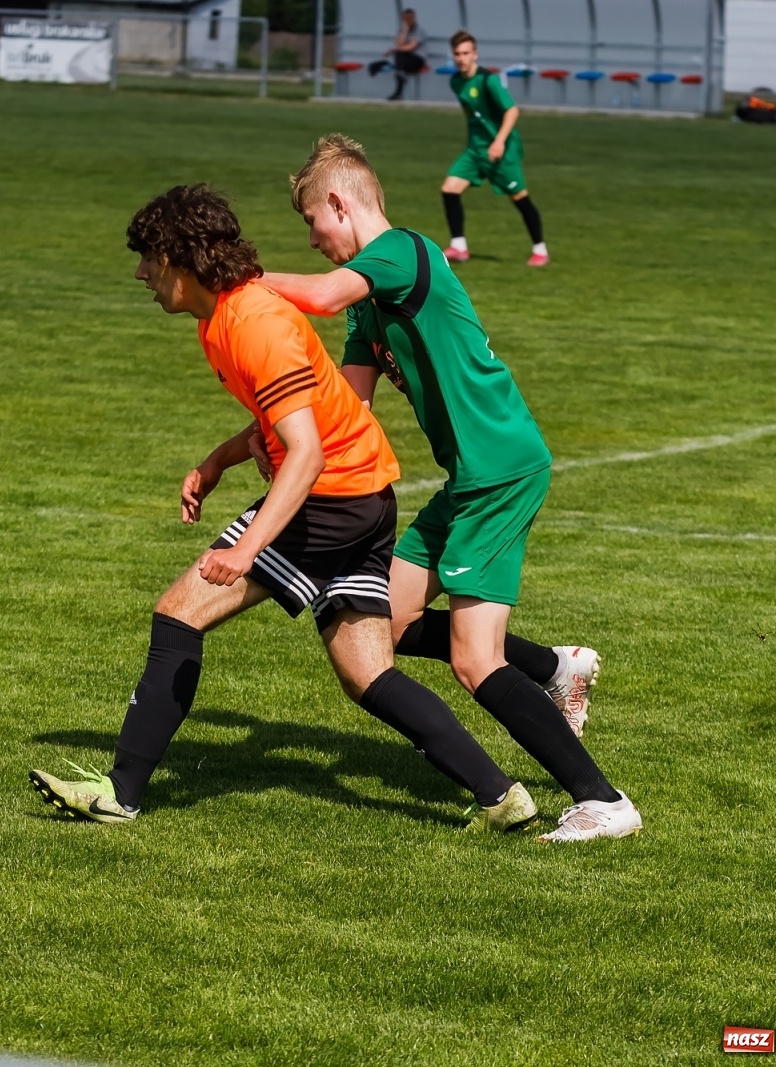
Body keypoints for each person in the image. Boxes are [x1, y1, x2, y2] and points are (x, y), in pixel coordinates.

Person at [29, 184, 541, 835]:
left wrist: (246, 549)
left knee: (179, 611)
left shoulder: (253, 323)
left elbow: (304, 455)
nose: (140, 273)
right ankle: (501, 796)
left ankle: (120, 792)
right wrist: (218, 460)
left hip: (329, 499)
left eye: (148, 258)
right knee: (366, 672)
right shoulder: (226, 319)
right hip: (368, 497)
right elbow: (290, 420)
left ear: (182, 259)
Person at [260, 135, 641, 842]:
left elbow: (311, 295)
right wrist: (272, 439)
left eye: (313, 223)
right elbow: (351, 409)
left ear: (340, 203)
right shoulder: (367, 305)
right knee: (390, 623)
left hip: (498, 468)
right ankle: (558, 667)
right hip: (468, 480)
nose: (312, 241)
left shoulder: (402, 253)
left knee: (473, 659)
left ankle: (603, 799)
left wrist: (240, 281)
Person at [440, 31, 548, 266]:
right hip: (476, 151)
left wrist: (498, 141)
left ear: (475, 54)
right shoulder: (456, 81)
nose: (461, 58)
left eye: (466, 53)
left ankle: (540, 249)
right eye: (457, 54)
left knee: (519, 198)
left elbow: (512, 110)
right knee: (450, 189)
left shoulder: (489, 80)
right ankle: (459, 246)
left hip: (501, 152)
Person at [368, 8, 426, 101]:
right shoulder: (401, 30)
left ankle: (387, 68)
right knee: (399, 57)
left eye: (410, 18)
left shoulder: (419, 31)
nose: (408, 21)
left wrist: (394, 49)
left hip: (417, 59)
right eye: (405, 19)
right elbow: (399, 44)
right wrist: (405, 30)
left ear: (414, 18)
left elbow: (411, 47)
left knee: (398, 54)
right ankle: (399, 87)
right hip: (404, 60)